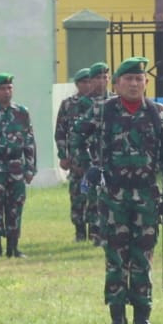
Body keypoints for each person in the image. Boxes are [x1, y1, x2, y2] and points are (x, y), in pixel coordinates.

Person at [87, 57, 163, 324]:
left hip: (146, 196)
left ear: (146, 83)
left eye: (139, 79)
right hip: (113, 196)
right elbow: (76, 136)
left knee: (142, 256)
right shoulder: (103, 112)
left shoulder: (158, 113)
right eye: (128, 79)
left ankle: (142, 316)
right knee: (115, 257)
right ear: (116, 84)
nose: (134, 84)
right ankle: (116, 318)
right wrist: (88, 167)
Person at [0, 72, 37, 258]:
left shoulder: (21, 112)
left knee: (15, 207)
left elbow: (29, 142)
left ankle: (13, 247)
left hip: (16, 167)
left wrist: (30, 168)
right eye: (2, 88)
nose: (6, 91)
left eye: (9, 88)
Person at [68, 62, 112, 247]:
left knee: (102, 197)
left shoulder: (114, 102)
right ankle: (80, 230)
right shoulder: (76, 104)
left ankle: (98, 233)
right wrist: (69, 157)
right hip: (85, 158)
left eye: (105, 77)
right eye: (97, 78)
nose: (102, 81)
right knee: (81, 194)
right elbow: (67, 132)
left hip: (108, 159)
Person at [55, 68, 94, 241]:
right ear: (77, 84)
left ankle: (95, 231)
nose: (87, 85)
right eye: (83, 82)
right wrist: (63, 155)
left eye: (89, 81)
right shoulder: (68, 104)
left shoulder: (103, 103)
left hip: (97, 158)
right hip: (76, 160)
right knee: (78, 196)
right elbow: (60, 131)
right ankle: (79, 231)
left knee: (96, 196)